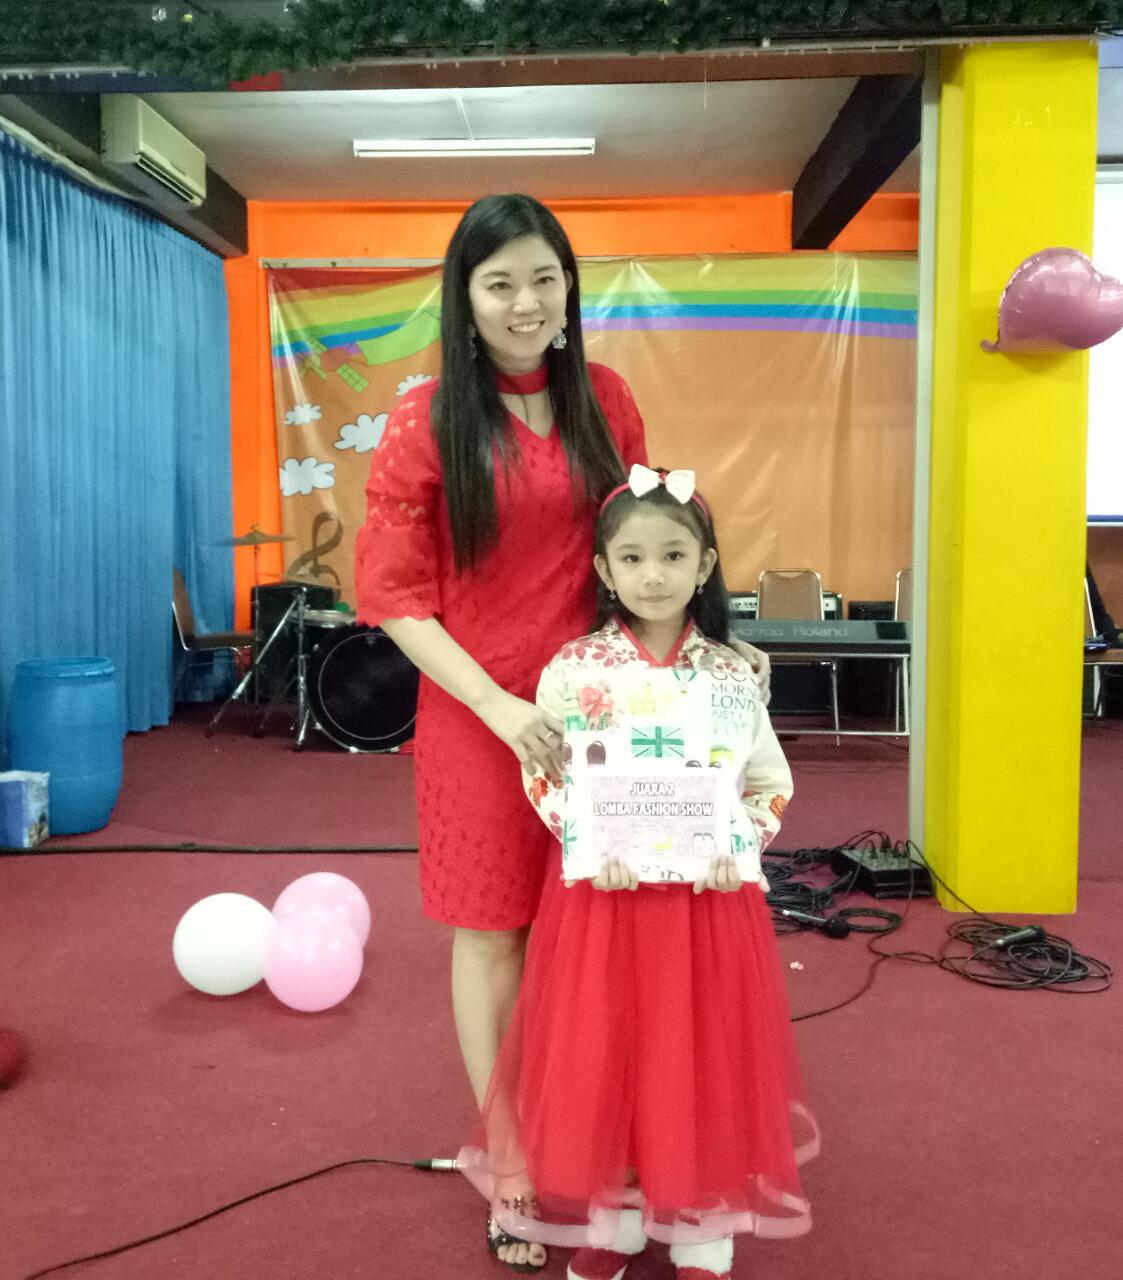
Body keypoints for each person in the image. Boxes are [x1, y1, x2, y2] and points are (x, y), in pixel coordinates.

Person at [354, 195, 771, 1272]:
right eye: (498, 283)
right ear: (465, 297)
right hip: (483, 716)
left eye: (543, 277)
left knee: (605, 936)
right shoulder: (426, 418)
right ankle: (511, 1162)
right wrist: (498, 707)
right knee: (495, 934)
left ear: (569, 286)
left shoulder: (606, 401)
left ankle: (616, 1146)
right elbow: (395, 596)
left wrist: (713, 658)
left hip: (612, 712)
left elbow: (650, 548)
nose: (525, 302)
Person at [459, 465, 818, 1280]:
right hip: (604, 901)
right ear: (602, 569)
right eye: (631, 558)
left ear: (705, 564)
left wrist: (738, 844)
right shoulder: (573, 669)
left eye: (672, 556)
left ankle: (701, 1225)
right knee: (607, 1052)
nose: (652, 576)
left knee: (699, 1052)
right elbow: (543, 771)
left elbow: (767, 779)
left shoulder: (730, 674)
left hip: (706, 904)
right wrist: (591, 842)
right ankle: (614, 1219)